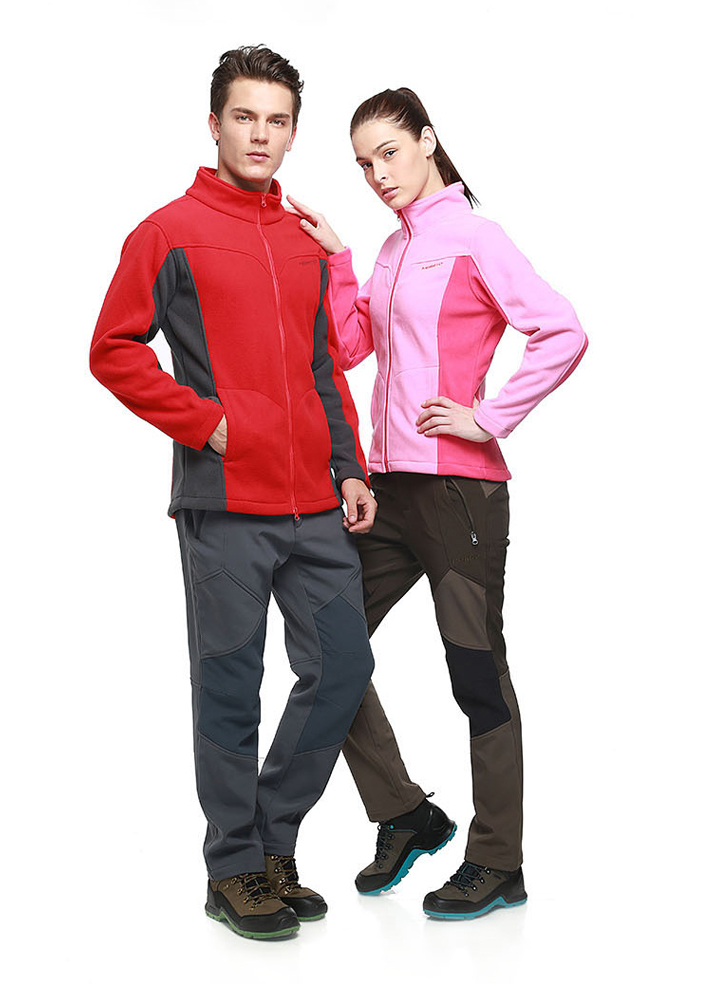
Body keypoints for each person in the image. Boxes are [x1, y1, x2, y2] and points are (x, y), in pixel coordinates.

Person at [89, 45, 377, 941]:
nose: (260, 134)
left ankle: (271, 843)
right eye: (245, 117)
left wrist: (351, 465)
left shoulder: (300, 239)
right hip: (222, 506)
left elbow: (324, 366)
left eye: (277, 120)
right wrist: (203, 421)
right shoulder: (166, 232)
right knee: (229, 686)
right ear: (214, 124)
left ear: (292, 134)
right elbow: (113, 348)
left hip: (315, 503)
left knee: (343, 669)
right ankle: (232, 868)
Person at [288, 86, 588, 920]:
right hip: (388, 491)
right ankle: (405, 813)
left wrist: (488, 418)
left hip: (459, 492)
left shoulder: (473, 238)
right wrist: (339, 262)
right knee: (327, 641)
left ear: (427, 141)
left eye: (389, 152)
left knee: (476, 673)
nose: (378, 173)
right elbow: (354, 348)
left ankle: (498, 860)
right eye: (364, 163)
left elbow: (562, 330)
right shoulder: (392, 249)